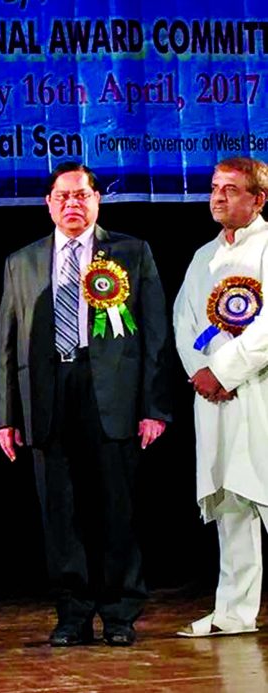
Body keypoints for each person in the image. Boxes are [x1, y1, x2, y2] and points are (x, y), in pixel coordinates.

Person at [0, 162, 171, 647]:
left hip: (110, 394)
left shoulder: (132, 253)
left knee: (117, 509)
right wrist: (6, 415)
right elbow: (7, 344)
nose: (72, 204)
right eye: (62, 197)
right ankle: (72, 612)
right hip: (47, 396)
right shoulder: (22, 261)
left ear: (97, 201)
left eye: (82, 195)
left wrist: (153, 406)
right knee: (60, 513)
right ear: (49, 203)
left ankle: (119, 613)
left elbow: (154, 335)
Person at [173, 157, 268, 638]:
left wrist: (227, 370)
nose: (218, 197)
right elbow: (184, 321)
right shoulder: (201, 258)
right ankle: (234, 611)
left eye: (231, 189)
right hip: (215, 400)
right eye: (214, 188)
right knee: (230, 501)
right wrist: (203, 374)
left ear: (258, 198)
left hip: (260, 392)